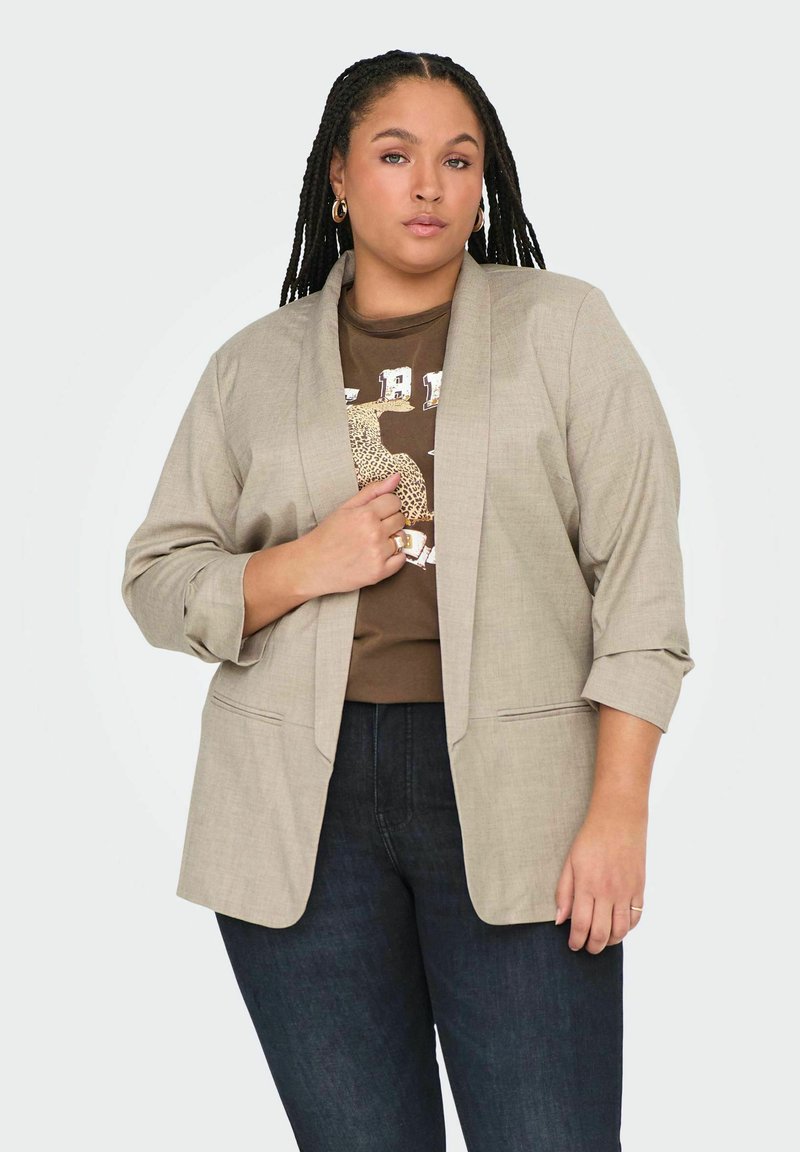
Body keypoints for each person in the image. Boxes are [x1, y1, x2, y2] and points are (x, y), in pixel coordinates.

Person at [121, 49, 695, 1152]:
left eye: (457, 160)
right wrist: (303, 564)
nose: (429, 184)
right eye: (394, 155)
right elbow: (156, 578)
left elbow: (639, 587)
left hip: (522, 796)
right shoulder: (251, 367)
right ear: (338, 178)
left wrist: (618, 811)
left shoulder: (565, 329)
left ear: (485, 183)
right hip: (299, 808)